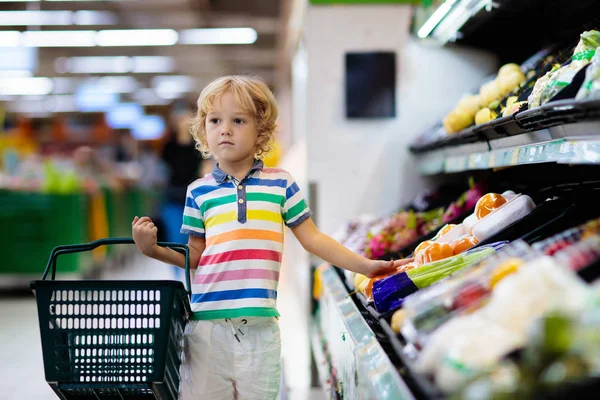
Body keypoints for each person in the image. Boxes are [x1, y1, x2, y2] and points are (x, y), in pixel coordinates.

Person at [131, 76, 410, 400]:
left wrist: (365, 266)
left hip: (261, 331)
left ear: (261, 129)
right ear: (203, 129)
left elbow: (313, 239)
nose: (225, 129)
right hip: (206, 328)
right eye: (215, 120)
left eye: (238, 120)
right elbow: (195, 255)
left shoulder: (281, 185)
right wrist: (152, 250)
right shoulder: (199, 191)